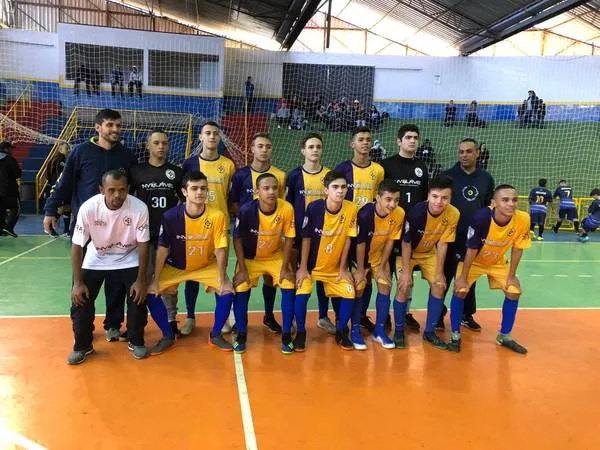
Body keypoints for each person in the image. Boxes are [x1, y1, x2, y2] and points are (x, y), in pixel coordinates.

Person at [43, 108, 138, 340]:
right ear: (98, 128)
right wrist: (50, 209)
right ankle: (82, 325)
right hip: (86, 228)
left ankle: (113, 324)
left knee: (116, 278)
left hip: (117, 228)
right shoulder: (80, 152)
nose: (115, 129)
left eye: (118, 125)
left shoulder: (127, 155)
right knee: (83, 278)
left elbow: (134, 189)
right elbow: (64, 183)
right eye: (110, 125)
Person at [67, 170, 150, 365]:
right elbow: (77, 246)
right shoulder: (89, 208)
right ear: (101, 190)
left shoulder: (139, 208)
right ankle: (82, 346)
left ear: (128, 189)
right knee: (80, 299)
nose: (117, 195)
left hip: (129, 258)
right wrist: (77, 282)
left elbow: (144, 244)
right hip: (96, 258)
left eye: (122, 190)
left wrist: (141, 280)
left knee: (138, 296)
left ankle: (136, 341)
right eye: (111, 190)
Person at [147, 171, 235, 351]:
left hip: (205, 265)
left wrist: (222, 277)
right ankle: (168, 335)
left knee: (227, 291)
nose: (199, 192)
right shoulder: (171, 216)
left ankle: (215, 334)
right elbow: (162, 248)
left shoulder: (217, 216)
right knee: (150, 293)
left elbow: (221, 248)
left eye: (203, 188)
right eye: (194, 188)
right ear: (184, 192)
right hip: (175, 266)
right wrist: (155, 279)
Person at [448, 185, 531, 354]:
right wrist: (463, 277)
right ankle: (455, 335)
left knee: (513, 291)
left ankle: (504, 335)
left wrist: (512, 276)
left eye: (514, 200)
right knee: (461, 290)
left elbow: (518, 248)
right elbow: (471, 248)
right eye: (505, 200)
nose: (511, 204)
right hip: (473, 261)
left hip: (497, 262)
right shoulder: (481, 217)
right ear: (494, 203)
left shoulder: (523, 219)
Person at [130, 129, 183, 354]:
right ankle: (138, 324)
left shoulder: (176, 172)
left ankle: (172, 320)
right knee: (144, 280)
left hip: (169, 237)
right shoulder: (137, 172)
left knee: (168, 283)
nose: (161, 146)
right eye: (156, 143)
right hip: (144, 237)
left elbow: (184, 202)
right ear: (148, 146)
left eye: (164, 143)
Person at [181, 121, 235, 335]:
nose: (212, 137)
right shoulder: (189, 163)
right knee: (192, 272)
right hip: (195, 228)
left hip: (219, 228)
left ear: (220, 138)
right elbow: (183, 194)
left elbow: (230, 196)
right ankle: (190, 317)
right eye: (208, 133)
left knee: (220, 272)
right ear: (200, 137)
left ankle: (222, 317)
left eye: (215, 134)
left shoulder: (229, 165)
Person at [295, 170, 358, 351]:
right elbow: (306, 239)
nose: (340, 191)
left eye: (343, 187)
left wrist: (343, 268)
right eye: (335, 187)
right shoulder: (314, 208)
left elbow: (348, 238)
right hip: (312, 267)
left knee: (349, 292)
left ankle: (341, 332)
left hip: (334, 268)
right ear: (326, 190)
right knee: (301, 294)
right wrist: (303, 268)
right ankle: (300, 333)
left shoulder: (351, 209)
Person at [233, 173, 296, 353]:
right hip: (250, 258)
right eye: (266, 188)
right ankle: (242, 333)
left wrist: (285, 268)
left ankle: (286, 337)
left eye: (274, 188)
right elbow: (236, 239)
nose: (271, 192)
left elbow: (290, 238)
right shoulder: (246, 210)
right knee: (241, 286)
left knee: (289, 284)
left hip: (275, 256)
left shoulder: (286, 208)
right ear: (257, 192)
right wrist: (243, 269)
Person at [230, 132, 286, 333]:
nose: (264, 150)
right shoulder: (240, 175)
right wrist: (249, 221)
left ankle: (269, 316)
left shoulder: (279, 176)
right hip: (247, 237)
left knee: (271, 278)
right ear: (252, 149)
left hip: (271, 236)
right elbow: (234, 202)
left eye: (268, 146)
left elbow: (279, 204)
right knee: (242, 279)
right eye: (260, 146)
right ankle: (239, 321)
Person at [395, 175, 459, 350]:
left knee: (439, 285)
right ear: (428, 196)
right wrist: (407, 272)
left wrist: (439, 273)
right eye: (435, 197)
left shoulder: (453, 214)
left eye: (444, 198)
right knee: (404, 286)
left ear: (450, 198)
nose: (439, 202)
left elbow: (443, 243)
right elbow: (406, 243)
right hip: (408, 253)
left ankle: (429, 332)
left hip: (429, 252)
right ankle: (399, 330)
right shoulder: (416, 213)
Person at [441, 138, 495, 331]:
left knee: (468, 279)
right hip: (450, 236)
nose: (464, 155)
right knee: (444, 276)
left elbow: (489, 206)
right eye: (461, 151)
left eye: (469, 151)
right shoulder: (448, 176)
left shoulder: (486, 178)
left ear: (477, 153)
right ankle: (438, 314)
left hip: (474, 239)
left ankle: (466, 314)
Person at [334, 126, 384, 333]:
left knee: (367, 275)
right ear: (352, 144)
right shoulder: (342, 169)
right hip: (345, 231)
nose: (365, 142)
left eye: (368, 139)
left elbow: (380, 199)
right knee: (341, 273)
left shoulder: (378, 170)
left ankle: (361, 316)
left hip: (369, 232)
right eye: (361, 139)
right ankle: (340, 318)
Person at [380, 124, 429, 331]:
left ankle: (404, 311)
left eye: (415, 137)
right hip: (389, 229)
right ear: (399, 141)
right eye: (408, 137)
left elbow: (426, 197)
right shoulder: (386, 165)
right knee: (386, 273)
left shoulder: (421, 166)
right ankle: (385, 315)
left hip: (413, 231)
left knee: (407, 275)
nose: (412, 141)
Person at [286, 133, 334, 334]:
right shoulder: (294, 176)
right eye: (311, 146)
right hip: (299, 237)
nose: (315, 150)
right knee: (299, 277)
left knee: (323, 278)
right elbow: (288, 207)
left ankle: (323, 317)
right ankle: (298, 320)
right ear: (303, 150)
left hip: (326, 236)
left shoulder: (330, 175)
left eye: (318, 146)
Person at [352, 180, 404, 349]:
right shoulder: (365, 214)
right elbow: (359, 244)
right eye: (388, 199)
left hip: (379, 256)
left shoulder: (399, 214)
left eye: (396, 200)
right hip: (359, 257)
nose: (392, 204)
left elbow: (391, 240)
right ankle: (354, 331)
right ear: (378, 197)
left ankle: (379, 332)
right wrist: (360, 270)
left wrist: (382, 267)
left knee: (385, 285)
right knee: (359, 287)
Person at [45, 142, 72, 236]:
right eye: (66, 148)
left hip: (62, 188)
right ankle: (49, 227)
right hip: (60, 189)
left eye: (69, 148)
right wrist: (57, 186)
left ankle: (66, 230)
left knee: (67, 208)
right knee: (61, 208)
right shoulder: (59, 160)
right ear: (60, 149)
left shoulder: (58, 159)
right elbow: (59, 177)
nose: (68, 150)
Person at [0, 141, 21, 237]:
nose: (12, 150)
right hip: (9, 190)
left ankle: (1, 229)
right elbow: (18, 174)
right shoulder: (9, 159)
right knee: (16, 208)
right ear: (6, 149)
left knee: (1, 210)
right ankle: (9, 227)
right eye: (11, 148)